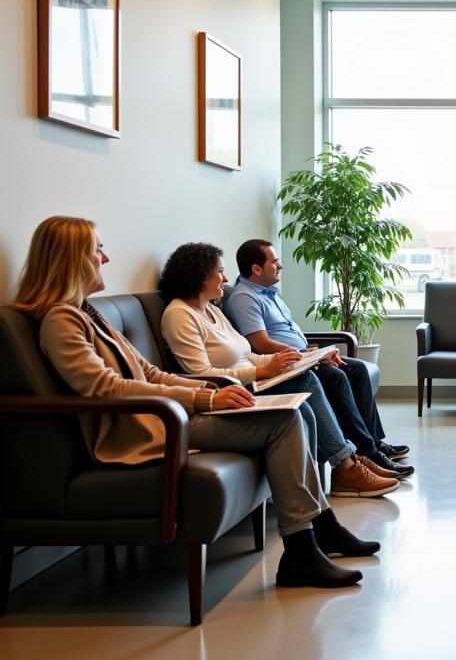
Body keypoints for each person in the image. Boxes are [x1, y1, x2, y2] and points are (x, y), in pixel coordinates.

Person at [11, 216, 377, 589]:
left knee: (295, 409)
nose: (105, 258)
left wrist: (209, 394)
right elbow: (107, 389)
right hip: (141, 429)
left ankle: (320, 530)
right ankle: (304, 548)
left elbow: (150, 374)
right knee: (284, 421)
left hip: (161, 415)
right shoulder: (62, 321)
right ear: (71, 258)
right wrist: (204, 397)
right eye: (97, 250)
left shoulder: (88, 315)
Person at [158, 242, 400, 498]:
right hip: (230, 393)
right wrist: (262, 371)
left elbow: (247, 354)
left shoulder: (211, 310)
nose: (226, 278)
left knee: (306, 398)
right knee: (306, 381)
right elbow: (202, 374)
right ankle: (347, 467)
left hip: (251, 382)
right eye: (220, 271)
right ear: (199, 275)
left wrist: (283, 359)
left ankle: (347, 465)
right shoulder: (178, 315)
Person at [223, 239, 411, 477]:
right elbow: (260, 343)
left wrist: (315, 352)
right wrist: (305, 356)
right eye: (274, 261)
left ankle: (373, 442)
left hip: (301, 357)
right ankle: (368, 451)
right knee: (336, 377)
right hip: (284, 365)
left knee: (357, 369)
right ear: (256, 269)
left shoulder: (269, 294)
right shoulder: (244, 298)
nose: (280, 266)